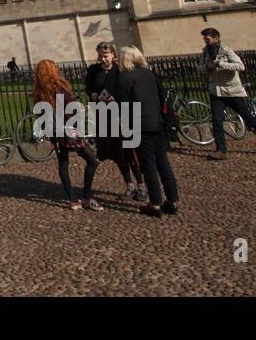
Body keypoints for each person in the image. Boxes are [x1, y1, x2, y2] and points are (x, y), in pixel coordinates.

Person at [112, 46, 179, 218]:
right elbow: (161, 96)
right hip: (157, 123)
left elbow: (122, 106)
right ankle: (172, 201)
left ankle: (155, 204)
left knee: (148, 165)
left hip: (139, 126)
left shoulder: (124, 78)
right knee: (163, 164)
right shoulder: (150, 75)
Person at [32, 59, 101, 211]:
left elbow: (40, 117)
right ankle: (87, 197)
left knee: (63, 163)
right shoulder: (60, 89)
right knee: (92, 160)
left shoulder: (38, 94)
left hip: (56, 134)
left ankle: (72, 200)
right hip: (70, 131)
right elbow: (71, 109)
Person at [198, 27, 256, 159]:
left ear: (216, 39)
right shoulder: (205, 53)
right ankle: (221, 151)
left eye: (208, 39)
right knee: (217, 121)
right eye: (205, 39)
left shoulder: (227, 51)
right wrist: (207, 67)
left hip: (232, 91)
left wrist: (221, 64)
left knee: (249, 119)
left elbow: (240, 66)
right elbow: (199, 68)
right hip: (216, 92)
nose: (206, 42)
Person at [85, 41, 146, 201]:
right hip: (104, 115)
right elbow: (89, 87)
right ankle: (129, 186)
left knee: (129, 152)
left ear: (113, 55)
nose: (103, 59)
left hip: (121, 115)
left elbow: (127, 91)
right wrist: (93, 95)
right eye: (100, 56)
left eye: (105, 56)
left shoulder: (120, 70)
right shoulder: (93, 70)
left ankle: (141, 185)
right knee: (117, 154)